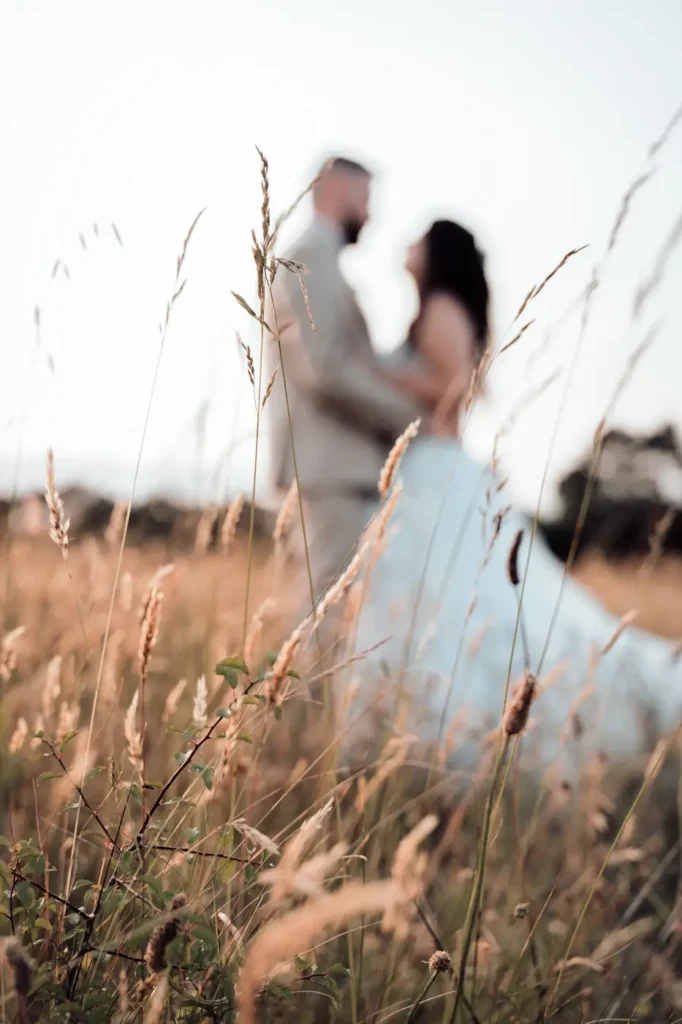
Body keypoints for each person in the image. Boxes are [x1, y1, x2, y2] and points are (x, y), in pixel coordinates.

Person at [349, 219, 682, 778]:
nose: (406, 247)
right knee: (444, 603)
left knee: (463, 605)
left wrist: (372, 372)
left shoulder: (441, 307)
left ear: (437, 252)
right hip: (429, 465)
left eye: (417, 240)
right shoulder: (437, 307)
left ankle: (456, 738)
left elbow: (452, 385)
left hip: (434, 466)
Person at [265, 157, 424, 627]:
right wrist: (408, 417)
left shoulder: (321, 261)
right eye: (365, 198)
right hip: (328, 466)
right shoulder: (308, 258)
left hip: (335, 467)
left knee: (338, 610)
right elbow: (326, 369)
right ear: (335, 189)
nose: (370, 215)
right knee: (327, 612)